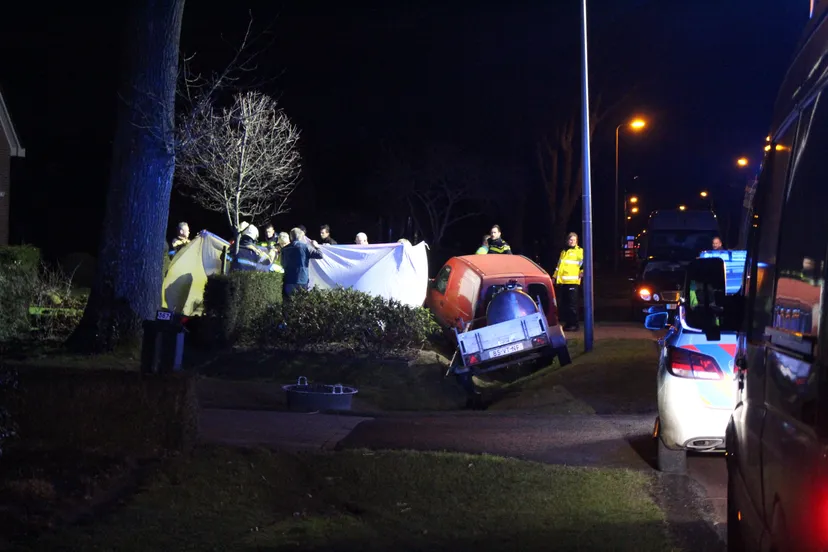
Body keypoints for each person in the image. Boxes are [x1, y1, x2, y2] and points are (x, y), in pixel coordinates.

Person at [552, 232, 584, 331]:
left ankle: (575, 324)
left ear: (577, 241)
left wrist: (582, 272)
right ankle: (569, 323)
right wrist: (554, 277)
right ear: (567, 240)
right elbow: (559, 267)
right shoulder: (564, 252)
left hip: (573, 281)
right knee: (565, 304)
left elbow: (583, 264)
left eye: (574, 240)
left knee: (572, 305)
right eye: (571, 240)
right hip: (564, 282)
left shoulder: (579, 251)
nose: (572, 242)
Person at [281, 227, 323, 296]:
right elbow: (320, 255)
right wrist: (316, 246)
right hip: (302, 280)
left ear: (291, 237)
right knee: (300, 303)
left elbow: (282, 263)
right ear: (301, 237)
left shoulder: (284, 249)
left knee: (288, 303)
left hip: (288, 280)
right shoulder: (306, 247)